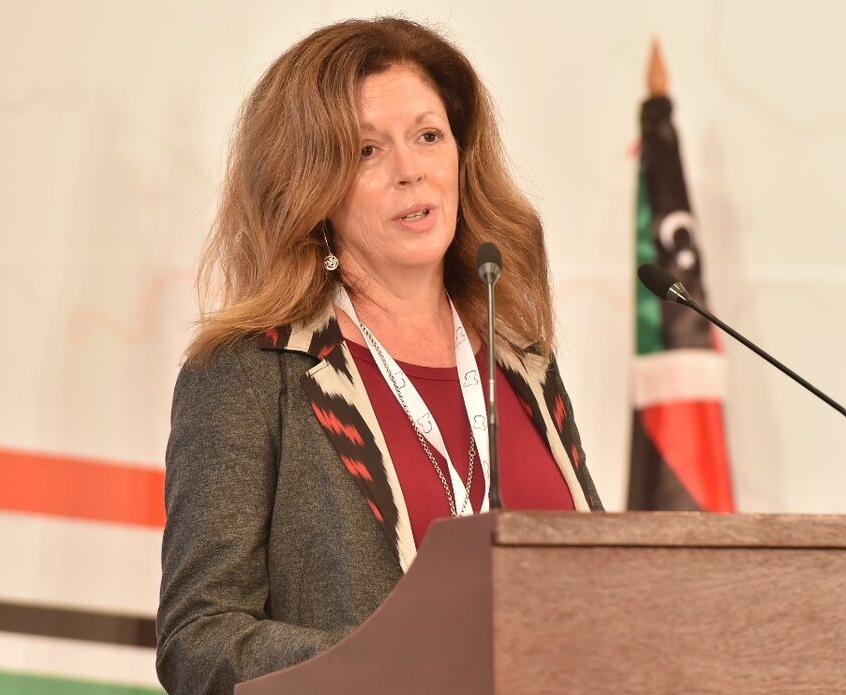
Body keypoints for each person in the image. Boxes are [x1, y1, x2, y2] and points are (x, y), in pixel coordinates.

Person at [156, 16, 603, 695]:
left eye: (429, 136)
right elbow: (199, 639)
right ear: (311, 185)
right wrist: (396, 661)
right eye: (367, 150)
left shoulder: (523, 364)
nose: (410, 171)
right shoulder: (254, 372)